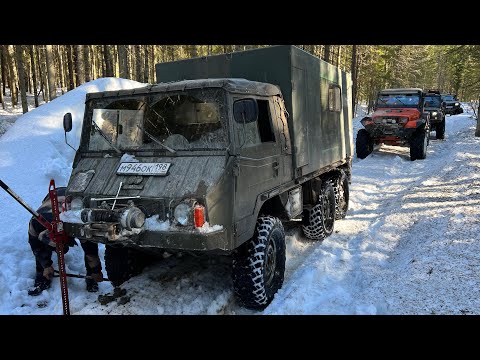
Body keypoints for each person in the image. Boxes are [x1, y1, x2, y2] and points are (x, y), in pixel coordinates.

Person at [27, 187, 104, 296]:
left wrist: (96, 270)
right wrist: (46, 265)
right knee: (40, 250)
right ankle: (42, 275)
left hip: (72, 197)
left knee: (88, 243)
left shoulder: (77, 224)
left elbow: (90, 250)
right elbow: (37, 248)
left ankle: (91, 276)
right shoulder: (36, 224)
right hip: (51, 198)